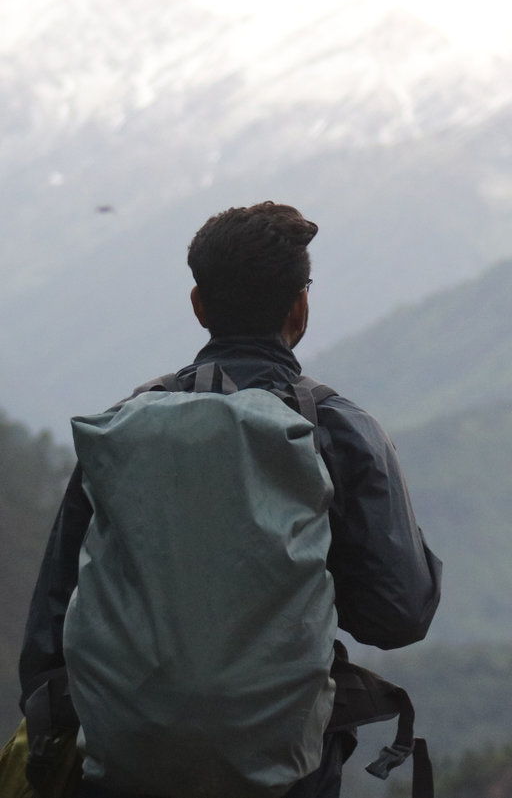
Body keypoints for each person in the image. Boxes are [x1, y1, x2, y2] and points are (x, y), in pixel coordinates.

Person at [18, 201, 442, 798]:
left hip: (120, 770)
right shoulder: (339, 431)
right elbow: (399, 615)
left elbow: (47, 639)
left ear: (198, 306)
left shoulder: (122, 430)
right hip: (287, 775)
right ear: (300, 306)